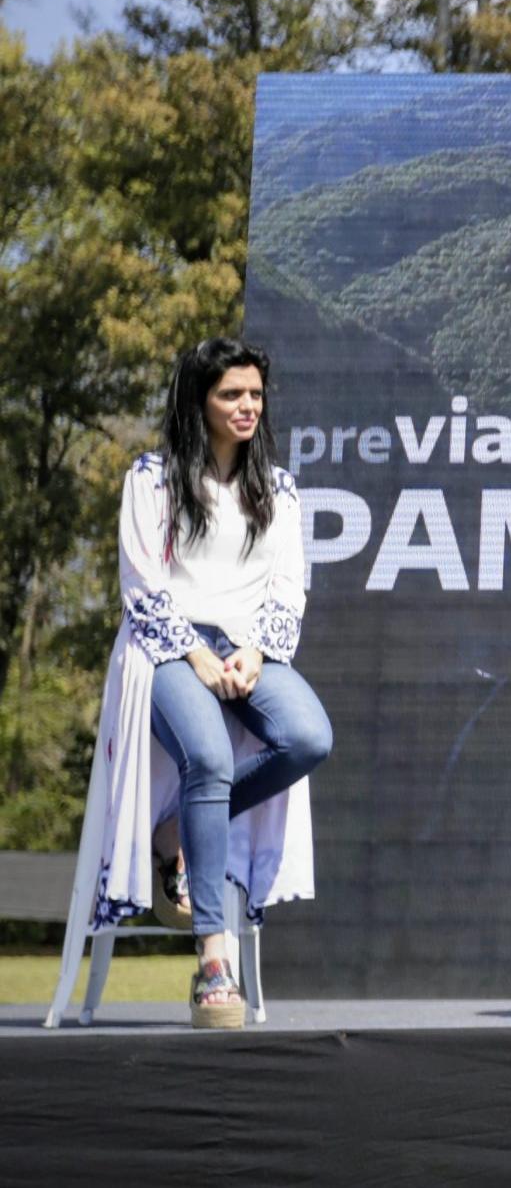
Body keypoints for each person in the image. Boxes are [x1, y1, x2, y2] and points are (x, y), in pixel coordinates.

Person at [102, 338, 331, 1030]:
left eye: (255, 394)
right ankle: (212, 960)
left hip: (248, 649)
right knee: (204, 757)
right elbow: (142, 588)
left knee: (308, 736)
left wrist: (257, 651)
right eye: (232, 394)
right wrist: (198, 655)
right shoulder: (152, 477)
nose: (247, 407)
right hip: (165, 649)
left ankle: (176, 827)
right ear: (199, 400)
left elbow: (290, 586)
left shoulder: (280, 488)